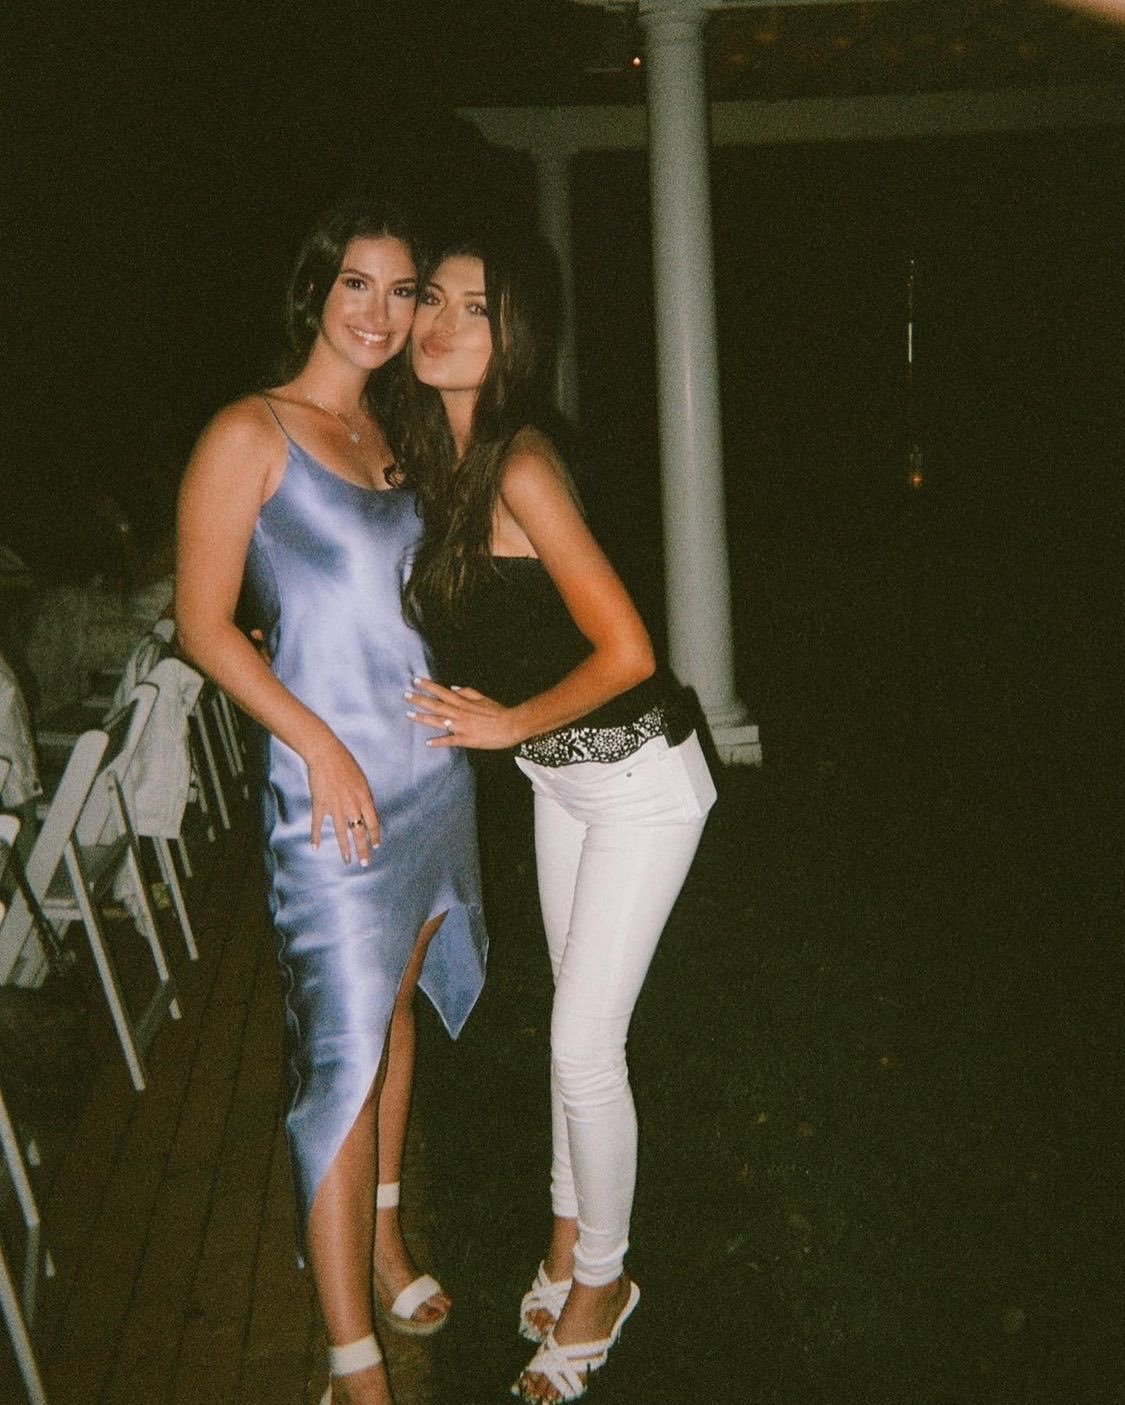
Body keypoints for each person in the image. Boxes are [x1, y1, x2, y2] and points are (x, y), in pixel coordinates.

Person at [175, 199, 487, 1405]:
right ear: (317, 290)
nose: (381, 311)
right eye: (359, 283)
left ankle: (386, 1236)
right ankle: (352, 1358)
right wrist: (317, 742)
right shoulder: (248, 431)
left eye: (404, 291)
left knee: (393, 1017)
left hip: (427, 780)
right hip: (333, 796)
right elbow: (203, 625)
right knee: (341, 1058)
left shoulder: (392, 436)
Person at [399, 233, 717, 1404]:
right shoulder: (443, 460)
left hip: (640, 783)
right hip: (564, 782)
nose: (440, 323)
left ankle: (606, 1282)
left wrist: (510, 722)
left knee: (586, 1043)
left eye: (473, 309)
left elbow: (628, 649)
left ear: (515, 334)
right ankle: (566, 1234)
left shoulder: (521, 464)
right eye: (432, 299)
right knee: (567, 1035)